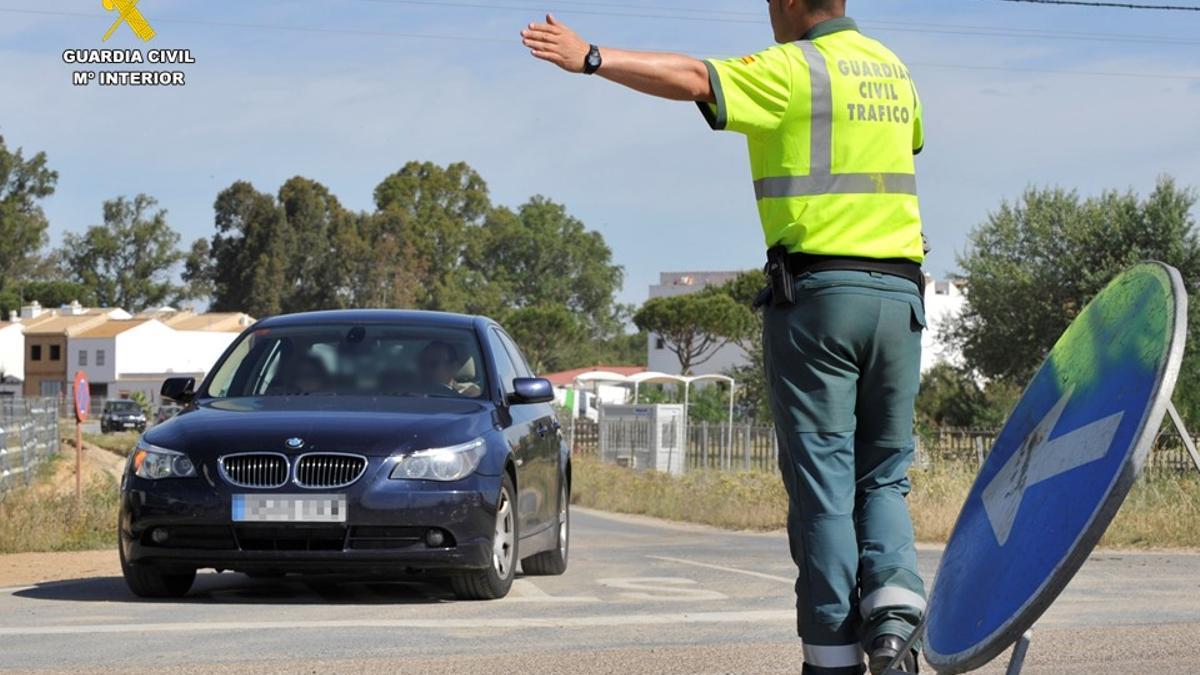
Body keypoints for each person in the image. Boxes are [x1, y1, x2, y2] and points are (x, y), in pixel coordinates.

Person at [522, 2, 927, 673]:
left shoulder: (796, 69)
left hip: (821, 299)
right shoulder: (895, 71)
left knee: (824, 486)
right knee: (884, 476)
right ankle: (895, 623)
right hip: (902, 299)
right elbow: (904, 145)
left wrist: (592, 57)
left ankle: (832, 658)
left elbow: (694, 77)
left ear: (794, 4)